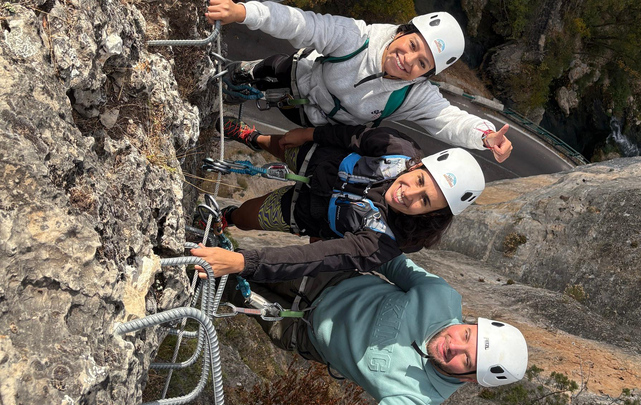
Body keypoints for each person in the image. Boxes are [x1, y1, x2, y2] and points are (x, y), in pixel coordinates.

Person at [205, 253, 529, 405]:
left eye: (466, 360)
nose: (454, 345)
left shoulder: (415, 401)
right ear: (473, 324)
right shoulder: (440, 296)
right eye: (468, 335)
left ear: (470, 379)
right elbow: (388, 257)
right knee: (233, 258)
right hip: (323, 275)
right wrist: (335, 244)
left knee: (221, 288)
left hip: (301, 331)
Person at [204, 0, 514, 162]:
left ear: (426, 76)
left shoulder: (413, 95)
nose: (409, 60)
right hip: (296, 79)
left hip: (319, 125)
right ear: (402, 32)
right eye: (413, 45)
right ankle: (228, 80)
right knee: (254, 73)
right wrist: (244, 12)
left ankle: (249, 136)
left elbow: (449, 120)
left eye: (422, 63)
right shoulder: (357, 37)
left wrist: (485, 136)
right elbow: (302, 24)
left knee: (305, 157)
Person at [191, 123, 485, 282]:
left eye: (424, 201)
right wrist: (310, 134)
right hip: (319, 161)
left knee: (248, 217)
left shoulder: (385, 242)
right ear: (417, 167)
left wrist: (243, 262)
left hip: (308, 212)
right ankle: (254, 137)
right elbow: (355, 135)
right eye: (420, 182)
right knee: (278, 144)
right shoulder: (397, 150)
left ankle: (228, 215)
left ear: (430, 215)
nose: (408, 195)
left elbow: (315, 259)